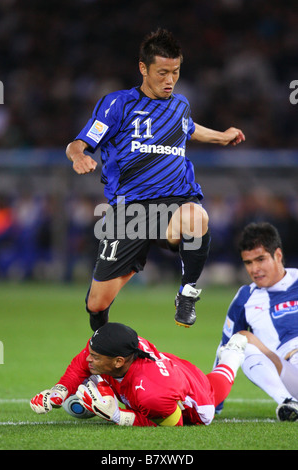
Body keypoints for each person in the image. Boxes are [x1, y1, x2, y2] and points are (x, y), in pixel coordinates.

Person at [65, 29, 245, 330]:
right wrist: (79, 156)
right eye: (162, 72)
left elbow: (190, 127)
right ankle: (100, 355)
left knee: (196, 215)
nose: (169, 80)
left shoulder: (180, 105)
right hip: (129, 212)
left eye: (175, 72)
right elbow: (78, 143)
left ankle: (187, 293)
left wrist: (222, 137)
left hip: (172, 204)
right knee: (96, 303)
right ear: (143, 68)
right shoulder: (118, 105)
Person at [30, 322, 247, 427]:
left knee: (220, 379)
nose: (89, 359)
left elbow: (175, 424)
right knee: (92, 382)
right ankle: (229, 356)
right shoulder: (117, 348)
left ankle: (232, 355)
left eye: (95, 356)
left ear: (118, 361)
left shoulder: (152, 392)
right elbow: (79, 367)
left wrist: (118, 415)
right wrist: (58, 392)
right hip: (171, 369)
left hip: (192, 400)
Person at [215, 222, 298, 421]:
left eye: (260, 259)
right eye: (248, 262)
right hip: (289, 374)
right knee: (241, 341)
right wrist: (213, 402)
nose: (255, 269)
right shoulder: (245, 298)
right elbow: (225, 348)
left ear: (277, 255)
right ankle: (289, 403)